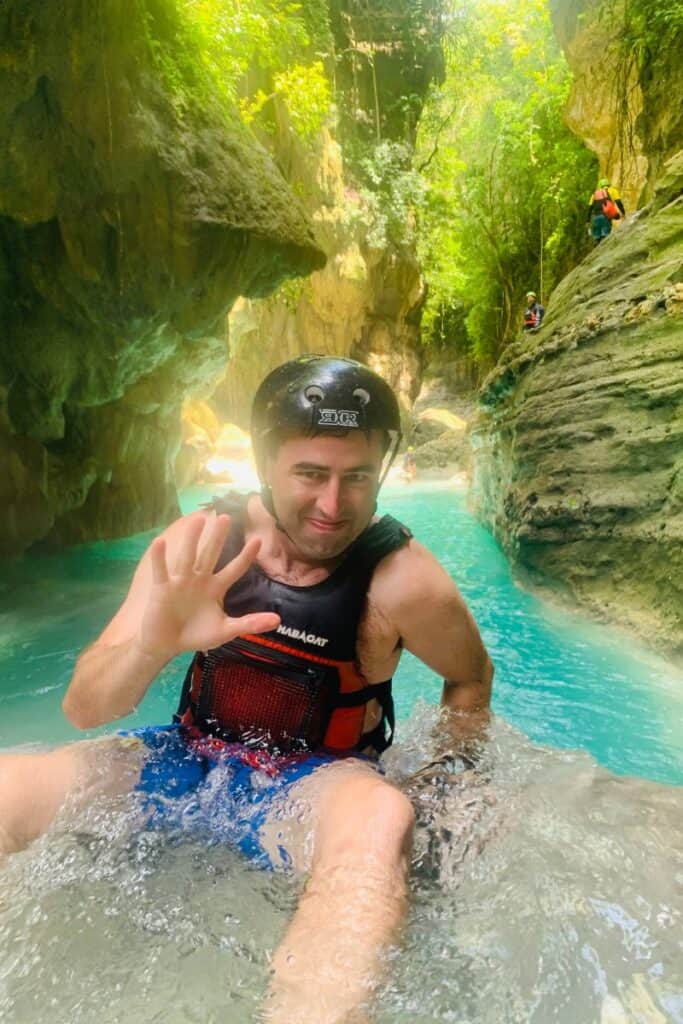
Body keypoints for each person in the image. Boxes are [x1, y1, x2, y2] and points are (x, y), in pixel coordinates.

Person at [0, 356, 493, 1024]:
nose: (331, 505)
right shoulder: (199, 545)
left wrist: (450, 781)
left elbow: (469, 676)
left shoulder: (402, 581)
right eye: (310, 475)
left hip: (315, 783)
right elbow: (84, 708)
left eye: (356, 479)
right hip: (183, 757)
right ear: (265, 462)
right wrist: (155, 643)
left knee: (380, 818)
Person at [588, 177, 626, 245]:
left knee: (597, 238)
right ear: (608, 184)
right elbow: (618, 202)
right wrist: (623, 213)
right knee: (605, 237)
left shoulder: (595, 194)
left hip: (595, 218)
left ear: (599, 185)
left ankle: (597, 249)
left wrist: (587, 220)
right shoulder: (612, 190)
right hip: (606, 217)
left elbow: (590, 208)